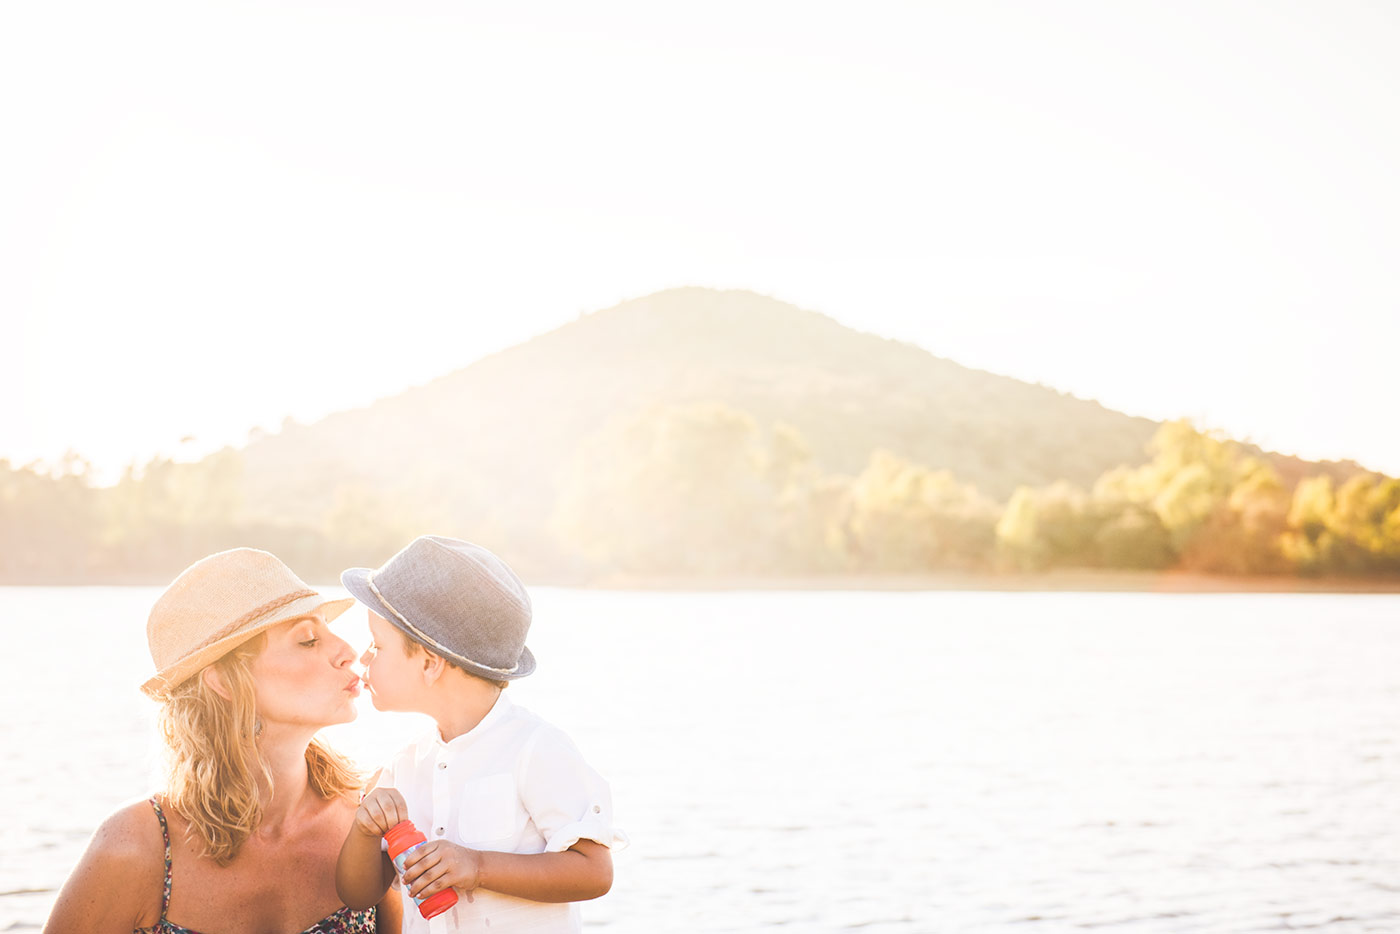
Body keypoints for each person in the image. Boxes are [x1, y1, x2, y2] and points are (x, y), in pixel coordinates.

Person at [44, 548, 403, 934]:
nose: (348, 652)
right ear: (224, 682)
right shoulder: (136, 847)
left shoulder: (371, 818)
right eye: (308, 641)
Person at [334, 535, 621, 933]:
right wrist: (364, 830)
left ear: (431, 664)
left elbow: (593, 872)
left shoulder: (535, 748)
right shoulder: (404, 766)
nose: (363, 657)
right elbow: (360, 895)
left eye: (377, 646)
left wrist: (478, 866)